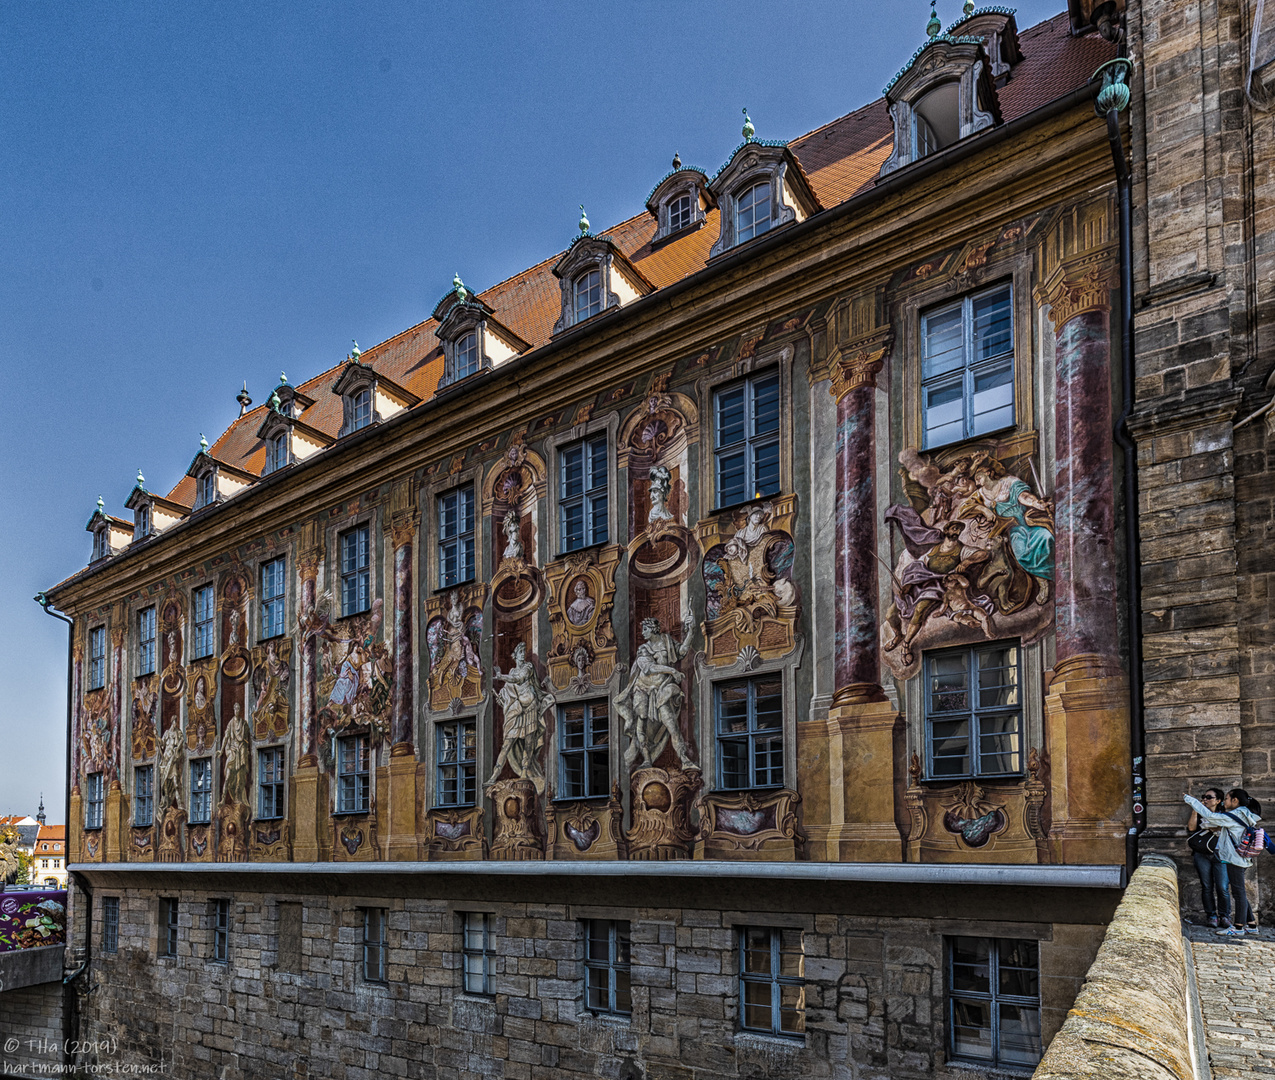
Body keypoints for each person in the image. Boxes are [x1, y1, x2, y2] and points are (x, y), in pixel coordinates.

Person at [1183, 788, 1263, 935]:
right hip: (1240, 857)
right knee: (1240, 891)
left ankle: (1238, 927)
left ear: (1235, 801)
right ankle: (1251, 925)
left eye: (1227, 798)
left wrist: (1191, 800)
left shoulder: (1235, 815)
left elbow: (1210, 816)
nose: (1225, 801)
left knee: (1238, 893)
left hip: (1235, 859)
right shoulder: (1245, 814)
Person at [1186, 787, 1231, 927]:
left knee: (1222, 887)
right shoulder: (1199, 813)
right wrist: (1195, 809)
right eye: (1204, 797)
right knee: (1206, 886)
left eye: (1209, 797)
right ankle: (1211, 915)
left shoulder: (1225, 814)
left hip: (1221, 853)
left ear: (1218, 801)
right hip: (1202, 854)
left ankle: (1224, 916)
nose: (1205, 799)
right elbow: (1191, 828)